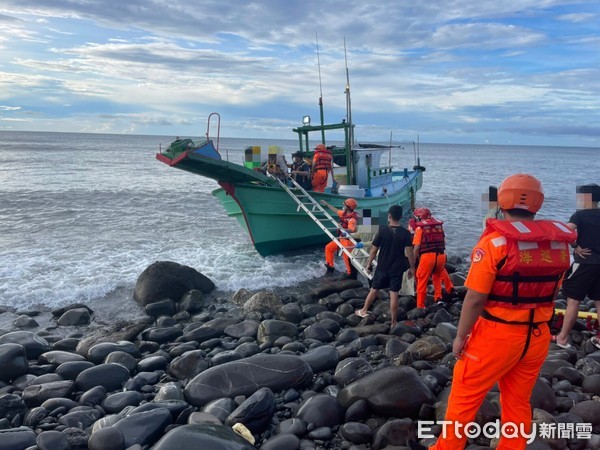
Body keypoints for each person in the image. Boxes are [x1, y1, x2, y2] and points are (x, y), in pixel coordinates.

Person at [429, 173, 576, 450]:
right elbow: (554, 291)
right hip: (537, 336)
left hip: (497, 335)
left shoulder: (495, 243)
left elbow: (475, 298)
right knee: (518, 401)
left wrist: (461, 336)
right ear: (538, 202)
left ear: (503, 200)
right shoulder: (558, 245)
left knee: (464, 396)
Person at [553, 183, 600, 350]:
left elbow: (565, 232)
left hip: (585, 264)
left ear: (587, 197)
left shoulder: (580, 215)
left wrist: (575, 246)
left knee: (573, 302)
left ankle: (563, 337)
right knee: (599, 301)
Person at [355, 205, 415, 328]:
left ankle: (364, 310)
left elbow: (373, 250)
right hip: (397, 268)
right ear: (401, 216)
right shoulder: (406, 233)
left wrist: (368, 264)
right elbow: (409, 253)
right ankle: (393, 322)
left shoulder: (382, 230)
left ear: (389, 216)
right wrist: (412, 268)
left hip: (382, 266)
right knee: (394, 294)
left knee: (374, 290)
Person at [412, 207, 455, 308]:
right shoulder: (438, 227)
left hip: (427, 257)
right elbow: (444, 242)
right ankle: (438, 297)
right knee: (437, 276)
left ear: (419, 217)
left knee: (422, 280)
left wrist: (413, 262)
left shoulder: (419, 228)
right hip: (441, 256)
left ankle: (420, 305)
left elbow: (417, 247)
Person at [321, 198, 359, 279]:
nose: (343, 206)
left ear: (348, 207)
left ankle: (350, 274)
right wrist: (327, 204)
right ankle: (330, 266)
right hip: (341, 238)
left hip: (348, 240)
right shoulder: (344, 214)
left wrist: (341, 228)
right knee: (329, 248)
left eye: (344, 205)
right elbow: (336, 210)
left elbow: (351, 230)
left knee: (347, 256)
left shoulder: (352, 219)